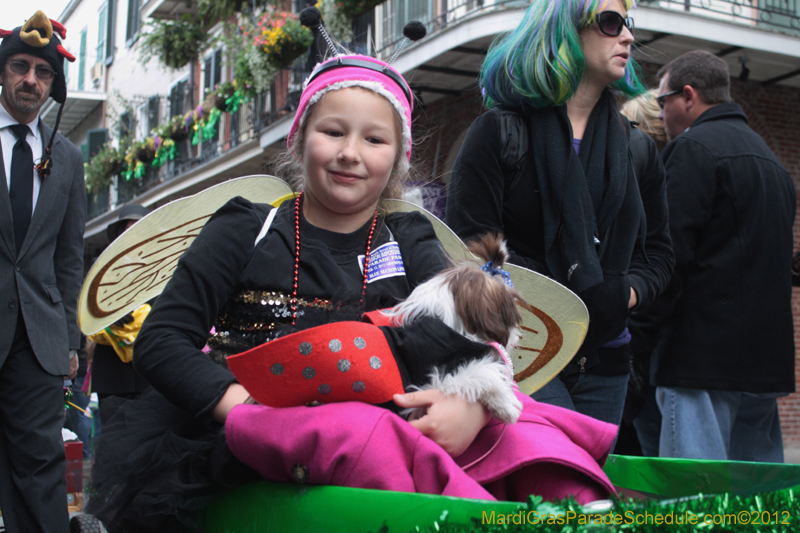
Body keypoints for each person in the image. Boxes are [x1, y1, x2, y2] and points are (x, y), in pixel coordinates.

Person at [88, 53, 618, 532]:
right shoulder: (244, 227)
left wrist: (472, 405)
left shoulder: (409, 236)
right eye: (332, 132)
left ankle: (592, 514)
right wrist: (243, 407)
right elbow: (163, 338)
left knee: (531, 422)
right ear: (299, 140)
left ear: (398, 159)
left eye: (374, 139)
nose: (349, 153)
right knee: (370, 438)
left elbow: (463, 335)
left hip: (389, 409)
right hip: (262, 422)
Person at [446, 0, 673, 428]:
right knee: (553, 479)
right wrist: (554, 295)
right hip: (521, 352)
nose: (627, 36)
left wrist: (624, 293)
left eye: (628, 24)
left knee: (587, 493)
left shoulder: (638, 149)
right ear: (562, 30)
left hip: (607, 361)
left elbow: (658, 255)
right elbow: (469, 249)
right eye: (610, 22)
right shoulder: (499, 132)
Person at [646, 50, 795, 461]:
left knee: (696, 508)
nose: (661, 115)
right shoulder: (773, 165)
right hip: (763, 365)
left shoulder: (692, 150)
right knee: (760, 508)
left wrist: (639, 342)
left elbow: (669, 261)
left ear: (689, 96)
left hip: (698, 362)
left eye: (663, 102)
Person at [0, 10, 84, 532]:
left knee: (40, 467)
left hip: (38, 337)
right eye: (20, 66)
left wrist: (71, 340)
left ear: (53, 84)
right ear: (4, 70)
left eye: (43, 71)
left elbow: (68, 256)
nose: (30, 79)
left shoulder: (68, 156)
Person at [90, 204, 151, 421]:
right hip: (111, 371)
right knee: (113, 436)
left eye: (138, 228)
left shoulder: (162, 268)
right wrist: (108, 316)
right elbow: (87, 311)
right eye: (127, 229)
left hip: (148, 369)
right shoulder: (101, 268)